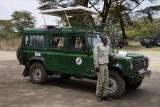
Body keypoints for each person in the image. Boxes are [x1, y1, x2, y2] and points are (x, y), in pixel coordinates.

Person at [93, 35, 110, 102]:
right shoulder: (97, 46)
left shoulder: (108, 46)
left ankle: (104, 95)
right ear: (101, 39)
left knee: (106, 81)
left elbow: (108, 54)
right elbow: (95, 56)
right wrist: (96, 65)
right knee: (100, 81)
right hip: (100, 65)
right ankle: (98, 95)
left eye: (106, 38)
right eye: (104, 38)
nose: (106, 39)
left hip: (106, 65)